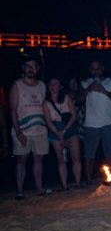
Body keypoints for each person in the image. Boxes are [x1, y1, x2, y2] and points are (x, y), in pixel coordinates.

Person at [9, 57, 51, 198]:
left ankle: (39, 188)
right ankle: (20, 191)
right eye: (27, 66)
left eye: (33, 66)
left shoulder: (42, 86)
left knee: (39, 159)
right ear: (23, 68)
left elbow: (44, 107)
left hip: (40, 129)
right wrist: (18, 131)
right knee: (21, 160)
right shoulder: (17, 85)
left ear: (37, 69)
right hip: (22, 129)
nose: (30, 69)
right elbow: (13, 110)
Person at [81, 60, 111, 184]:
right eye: (93, 68)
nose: (96, 71)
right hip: (91, 124)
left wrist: (104, 91)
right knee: (89, 155)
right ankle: (88, 179)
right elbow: (77, 99)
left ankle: (110, 178)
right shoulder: (85, 83)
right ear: (90, 70)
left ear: (102, 68)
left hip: (109, 123)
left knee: (109, 154)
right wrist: (88, 89)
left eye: (98, 68)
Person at [42, 77, 82, 190]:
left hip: (69, 126)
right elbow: (48, 121)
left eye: (55, 84)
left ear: (60, 87)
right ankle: (64, 185)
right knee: (61, 159)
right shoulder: (46, 103)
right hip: (55, 129)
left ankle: (77, 183)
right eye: (51, 84)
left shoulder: (66, 98)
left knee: (76, 157)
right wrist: (58, 133)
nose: (53, 86)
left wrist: (64, 131)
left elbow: (74, 115)